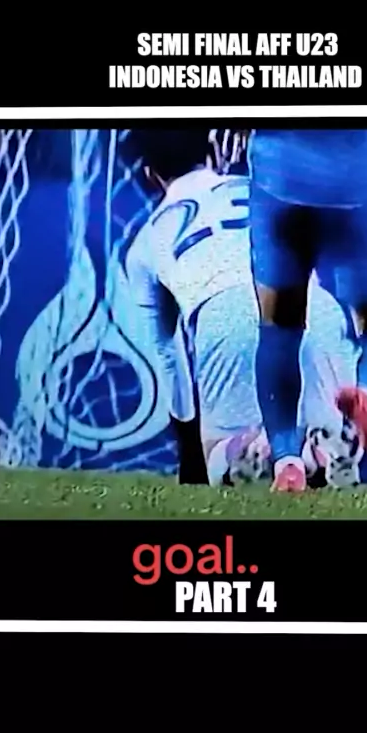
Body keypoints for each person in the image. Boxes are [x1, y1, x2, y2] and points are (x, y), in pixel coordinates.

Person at [244, 128, 367, 492]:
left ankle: (287, 460)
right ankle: (366, 394)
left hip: (281, 176)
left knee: (279, 327)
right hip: (365, 177)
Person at [124, 129, 269, 486]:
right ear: (210, 154)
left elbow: (167, 354)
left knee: (222, 464)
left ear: (149, 176)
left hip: (226, 314)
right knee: (315, 448)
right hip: (311, 304)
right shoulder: (260, 189)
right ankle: (313, 448)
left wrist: (190, 449)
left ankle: (241, 452)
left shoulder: (145, 244)